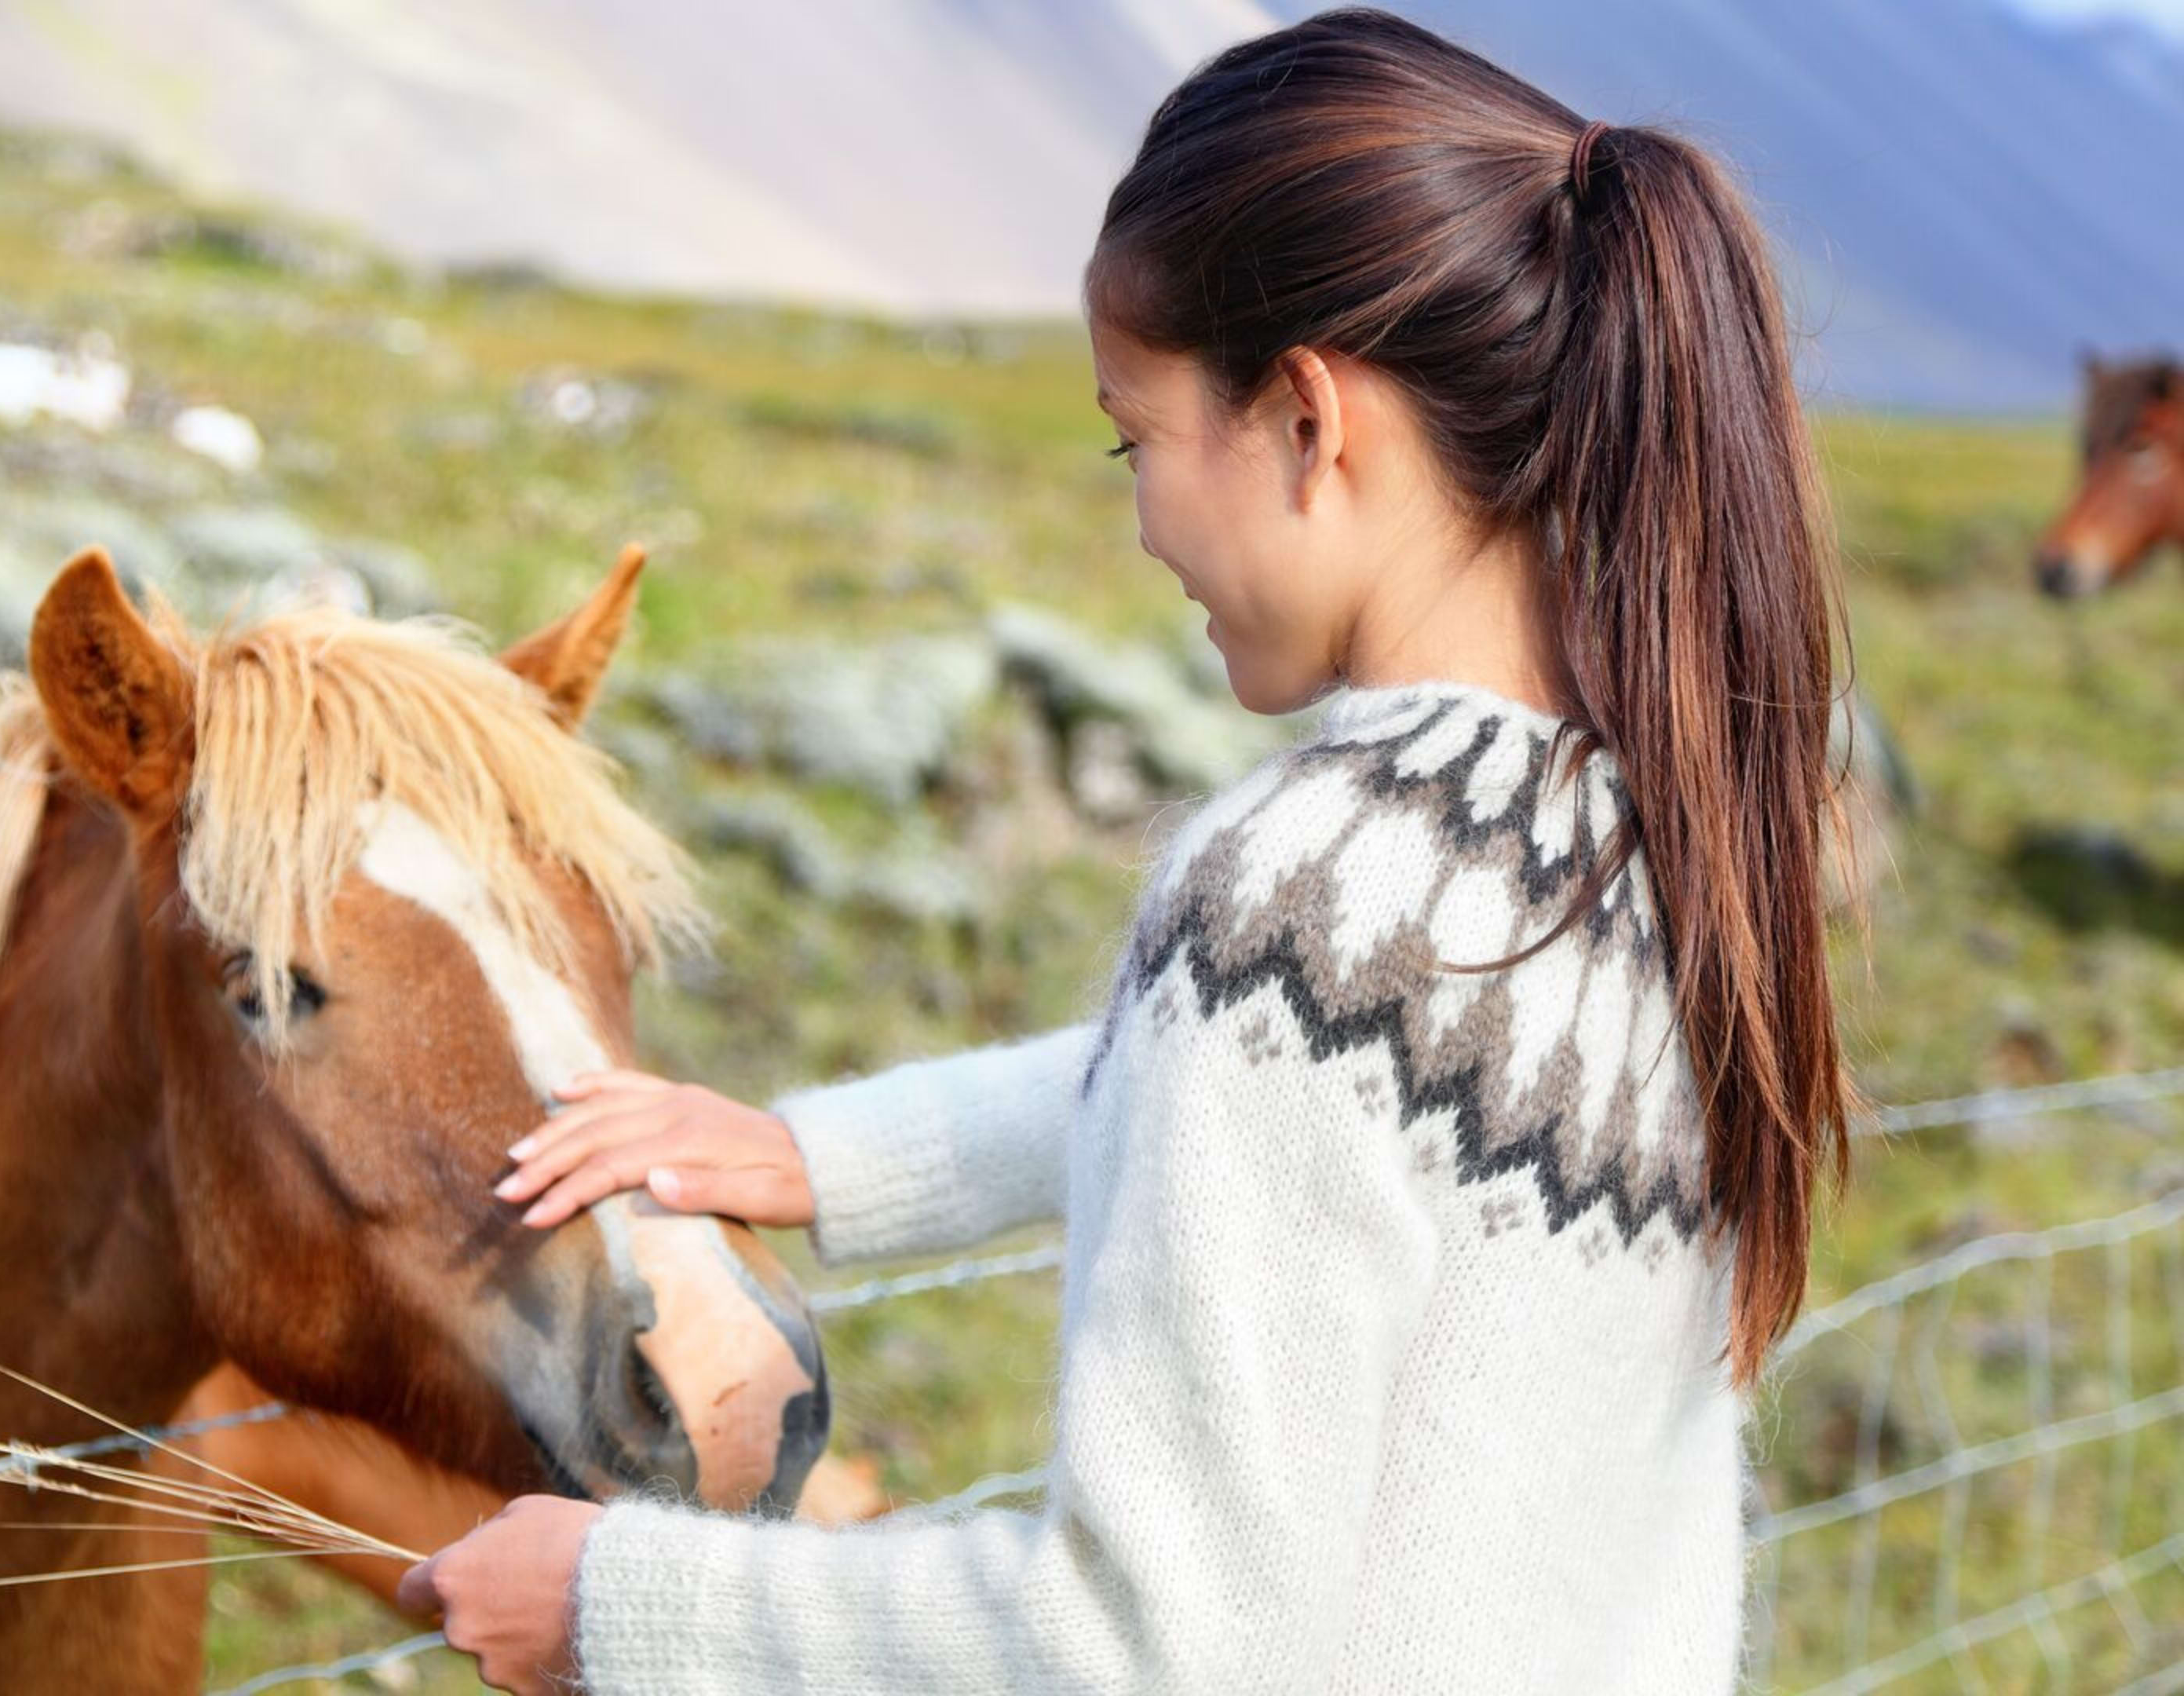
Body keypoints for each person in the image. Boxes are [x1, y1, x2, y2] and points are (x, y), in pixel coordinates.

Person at [396, 8, 1856, 1690]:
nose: (1142, 516)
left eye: (1135, 436)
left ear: (1310, 421)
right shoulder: (1640, 841)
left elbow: (1139, 1649)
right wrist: (823, 1161)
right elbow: (1328, 1099)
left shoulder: (1298, 905)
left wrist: (617, 1602)